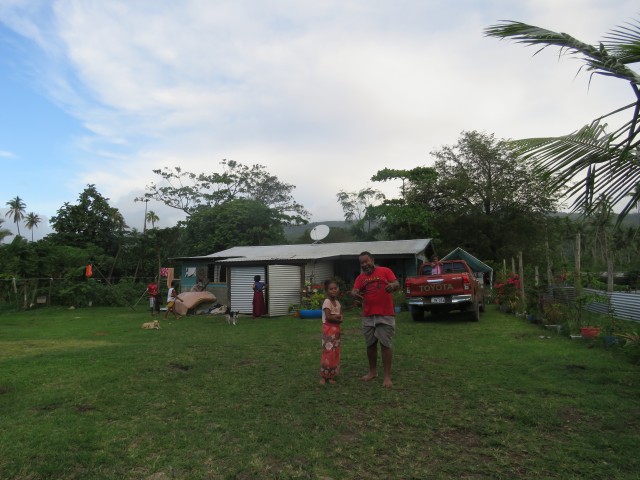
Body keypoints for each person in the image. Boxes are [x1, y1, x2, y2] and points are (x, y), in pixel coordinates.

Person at [351, 251, 400, 388]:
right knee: (370, 345)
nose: (365, 264)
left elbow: (396, 283)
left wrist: (392, 286)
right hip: (368, 315)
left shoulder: (385, 271)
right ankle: (372, 372)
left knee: (385, 344)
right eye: (362, 263)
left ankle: (387, 377)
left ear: (372, 260)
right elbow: (354, 290)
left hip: (385, 314)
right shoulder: (360, 278)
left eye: (367, 261)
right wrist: (354, 293)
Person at [320, 279, 343, 385]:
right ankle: (324, 376)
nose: (333, 291)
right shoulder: (327, 302)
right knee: (327, 352)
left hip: (336, 330)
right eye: (331, 289)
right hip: (328, 330)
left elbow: (341, 317)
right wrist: (337, 317)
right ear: (327, 290)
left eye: (335, 288)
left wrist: (338, 317)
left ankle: (331, 375)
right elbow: (328, 317)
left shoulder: (337, 303)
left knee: (335, 353)